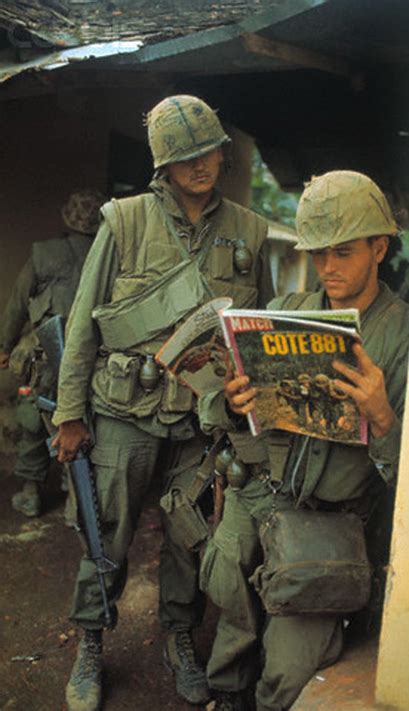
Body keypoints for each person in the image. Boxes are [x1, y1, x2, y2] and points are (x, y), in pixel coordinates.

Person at [51, 95, 274, 710]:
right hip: (126, 411)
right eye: (184, 158)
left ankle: (179, 634)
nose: (198, 166)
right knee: (108, 534)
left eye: (207, 152)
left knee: (189, 534)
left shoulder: (250, 232)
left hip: (203, 420)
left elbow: (259, 334)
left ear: (222, 153)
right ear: (163, 167)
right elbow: (82, 324)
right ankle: (90, 642)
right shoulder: (123, 221)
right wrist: (69, 413)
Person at [198, 170, 409, 711]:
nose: (328, 268)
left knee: (289, 678)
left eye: (342, 252)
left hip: (329, 522)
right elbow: (216, 414)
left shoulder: (408, 336)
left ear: (380, 247)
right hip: (260, 496)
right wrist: (232, 400)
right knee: (230, 631)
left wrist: (383, 419)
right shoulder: (283, 312)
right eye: (318, 254)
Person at [0, 189, 105, 517]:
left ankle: (31, 492)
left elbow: (18, 303)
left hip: (47, 359)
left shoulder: (44, 254)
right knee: (89, 421)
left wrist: (5, 347)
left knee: (35, 419)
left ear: (66, 218)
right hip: (97, 360)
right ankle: (71, 486)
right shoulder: (108, 256)